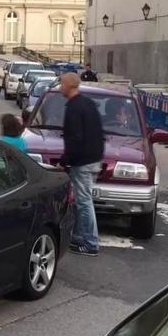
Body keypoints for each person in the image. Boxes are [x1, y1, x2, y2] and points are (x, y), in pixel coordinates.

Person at [59, 73, 104, 257]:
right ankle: (78, 236)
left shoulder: (74, 108)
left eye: (61, 83)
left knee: (84, 201)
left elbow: (75, 138)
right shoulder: (88, 103)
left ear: (69, 85)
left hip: (82, 162)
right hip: (93, 159)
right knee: (80, 199)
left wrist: (65, 161)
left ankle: (91, 243)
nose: (60, 86)